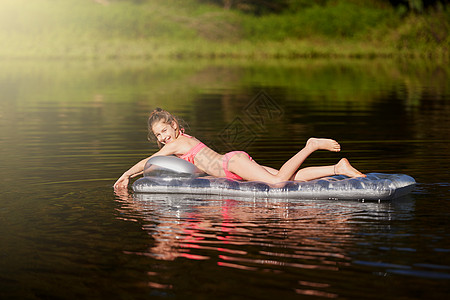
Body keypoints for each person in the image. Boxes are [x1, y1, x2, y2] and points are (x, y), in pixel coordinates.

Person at [114, 108, 365, 190]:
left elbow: (149, 161)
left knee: (277, 182)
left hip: (231, 164)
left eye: (164, 131)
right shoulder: (178, 143)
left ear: (174, 126)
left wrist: (126, 175)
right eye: (158, 135)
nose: (163, 137)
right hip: (230, 168)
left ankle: (310, 145)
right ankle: (337, 167)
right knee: (289, 176)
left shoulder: (178, 143)